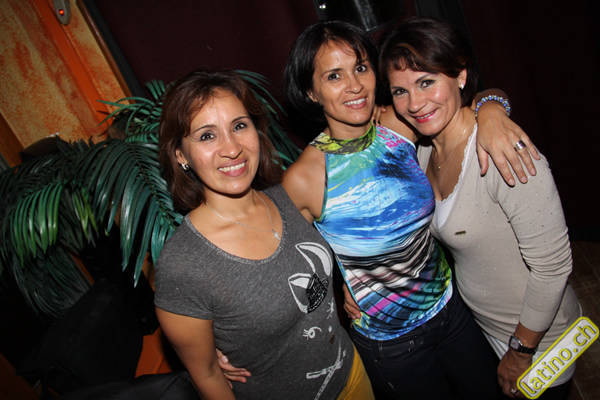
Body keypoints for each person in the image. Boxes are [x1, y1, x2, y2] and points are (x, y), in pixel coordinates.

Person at [277, 19, 543, 400]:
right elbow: (291, 265)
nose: (354, 85)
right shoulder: (304, 178)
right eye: (334, 76)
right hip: (393, 345)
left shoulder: (398, 123)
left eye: (361, 68)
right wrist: (340, 285)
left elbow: (473, 96)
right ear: (311, 92)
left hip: (452, 310)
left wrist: (492, 114)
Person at [373, 17, 581, 399]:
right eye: (400, 90)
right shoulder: (422, 150)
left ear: (461, 76)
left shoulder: (503, 153)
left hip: (537, 340)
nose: (414, 103)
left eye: (426, 82)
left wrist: (521, 351)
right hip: (483, 328)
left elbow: (554, 267)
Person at [153, 69, 375, 400]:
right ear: (181, 155)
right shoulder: (183, 265)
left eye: (239, 126)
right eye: (207, 136)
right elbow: (208, 375)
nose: (231, 148)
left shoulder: (285, 198)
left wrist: (345, 284)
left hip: (351, 374)